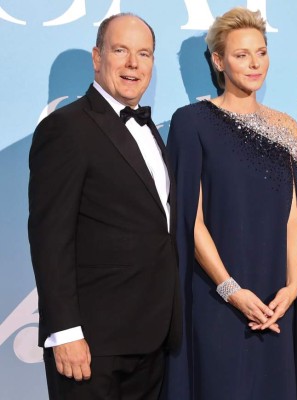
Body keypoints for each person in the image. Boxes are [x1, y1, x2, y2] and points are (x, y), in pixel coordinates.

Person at [162, 7, 297, 400]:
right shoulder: (191, 121)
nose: (254, 64)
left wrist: (293, 285)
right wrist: (230, 289)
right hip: (217, 296)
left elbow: (293, 217)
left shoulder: (286, 127)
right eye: (241, 54)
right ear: (218, 61)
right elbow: (189, 220)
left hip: (277, 298)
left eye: (261, 52)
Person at [28, 13, 181, 400]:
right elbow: (50, 238)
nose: (133, 63)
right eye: (121, 50)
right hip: (91, 343)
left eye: (144, 54)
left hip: (151, 339)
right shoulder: (66, 128)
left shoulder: (152, 132)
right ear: (97, 58)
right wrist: (64, 332)